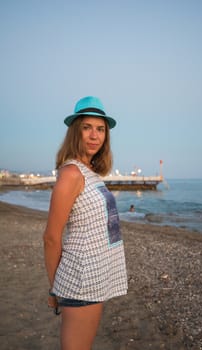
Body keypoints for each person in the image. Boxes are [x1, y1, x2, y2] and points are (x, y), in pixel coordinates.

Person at [43, 96, 128, 350]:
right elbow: (51, 237)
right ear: (75, 132)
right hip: (80, 281)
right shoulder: (71, 173)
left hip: (96, 277)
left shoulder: (89, 172)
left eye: (100, 129)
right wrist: (55, 289)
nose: (95, 135)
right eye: (87, 127)